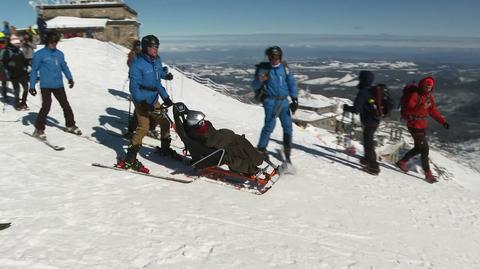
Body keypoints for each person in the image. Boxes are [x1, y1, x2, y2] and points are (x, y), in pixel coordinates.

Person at [116, 34, 174, 173]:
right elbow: (134, 87)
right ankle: (129, 159)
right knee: (143, 127)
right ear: (146, 47)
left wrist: (165, 97)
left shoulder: (157, 60)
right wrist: (141, 102)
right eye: (153, 47)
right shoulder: (137, 64)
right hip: (141, 100)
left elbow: (157, 79)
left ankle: (165, 150)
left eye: (157, 46)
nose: (156, 49)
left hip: (153, 99)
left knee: (165, 122)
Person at [29, 30, 81, 139]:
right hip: (45, 85)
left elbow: (64, 67)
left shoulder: (60, 54)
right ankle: (39, 129)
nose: (54, 44)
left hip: (58, 85)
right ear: (47, 41)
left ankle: (70, 125)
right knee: (46, 106)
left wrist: (70, 78)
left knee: (65, 105)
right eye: (52, 42)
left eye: (55, 42)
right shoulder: (39, 54)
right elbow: (34, 70)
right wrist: (32, 86)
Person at [396, 77, 449, 182]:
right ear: (422, 85)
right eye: (426, 86)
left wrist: (442, 121)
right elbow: (408, 110)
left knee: (418, 147)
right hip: (413, 124)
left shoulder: (428, 96)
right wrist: (422, 107)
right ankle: (428, 174)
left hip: (421, 124)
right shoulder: (415, 95)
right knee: (424, 149)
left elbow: (433, 110)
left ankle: (402, 162)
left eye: (430, 86)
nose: (428, 88)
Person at [252, 46, 298, 163]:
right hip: (270, 102)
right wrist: (260, 80)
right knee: (269, 126)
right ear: (268, 57)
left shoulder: (285, 68)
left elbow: (291, 83)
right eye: (272, 57)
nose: (274, 59)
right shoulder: (264, 69)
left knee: (288, 127)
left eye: (277, 56)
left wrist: (295, 99)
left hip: (284, 102)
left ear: (280, 56)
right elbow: (254, 85)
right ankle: (261, 149)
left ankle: (287, 152)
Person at [183, 109, 264, 176]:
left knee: (240, 143)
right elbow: (207, 143)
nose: (204, 123)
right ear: (193, 124)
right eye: (201, 122)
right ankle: (252, 169)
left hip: (226, 138)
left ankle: (255, 159)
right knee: (232, 154)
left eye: (203, 121)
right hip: (219, 147)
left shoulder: (201, 128)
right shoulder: (196, 133)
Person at [343, 71, 380, 175]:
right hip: (376, 120)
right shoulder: (373, 90)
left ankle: (374, 167)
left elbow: (356, 109)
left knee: (368, 143)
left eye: (360, 78)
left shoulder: (363, 92)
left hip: (368, 121)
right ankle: (366, 159)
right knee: (367, 140)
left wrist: (346, 108)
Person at [2, 35, 29, 110]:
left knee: (26, 88)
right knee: (17, 90)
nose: (17, 44)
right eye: (16, 43)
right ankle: (17, 104)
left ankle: (23, 102)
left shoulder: (19, 50)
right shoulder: (8, 51)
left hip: (23, 73)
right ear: (12, 43)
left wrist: (28, 65)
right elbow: (5, 62)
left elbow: (24, 60)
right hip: (14, 75)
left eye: (18, 43)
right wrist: (10, 64)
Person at [0, 32, 7, 99]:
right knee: (4, 80)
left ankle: (4, 94)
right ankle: (4, 94)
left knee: (4, 80)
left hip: (4, 64)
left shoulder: (5, 46)